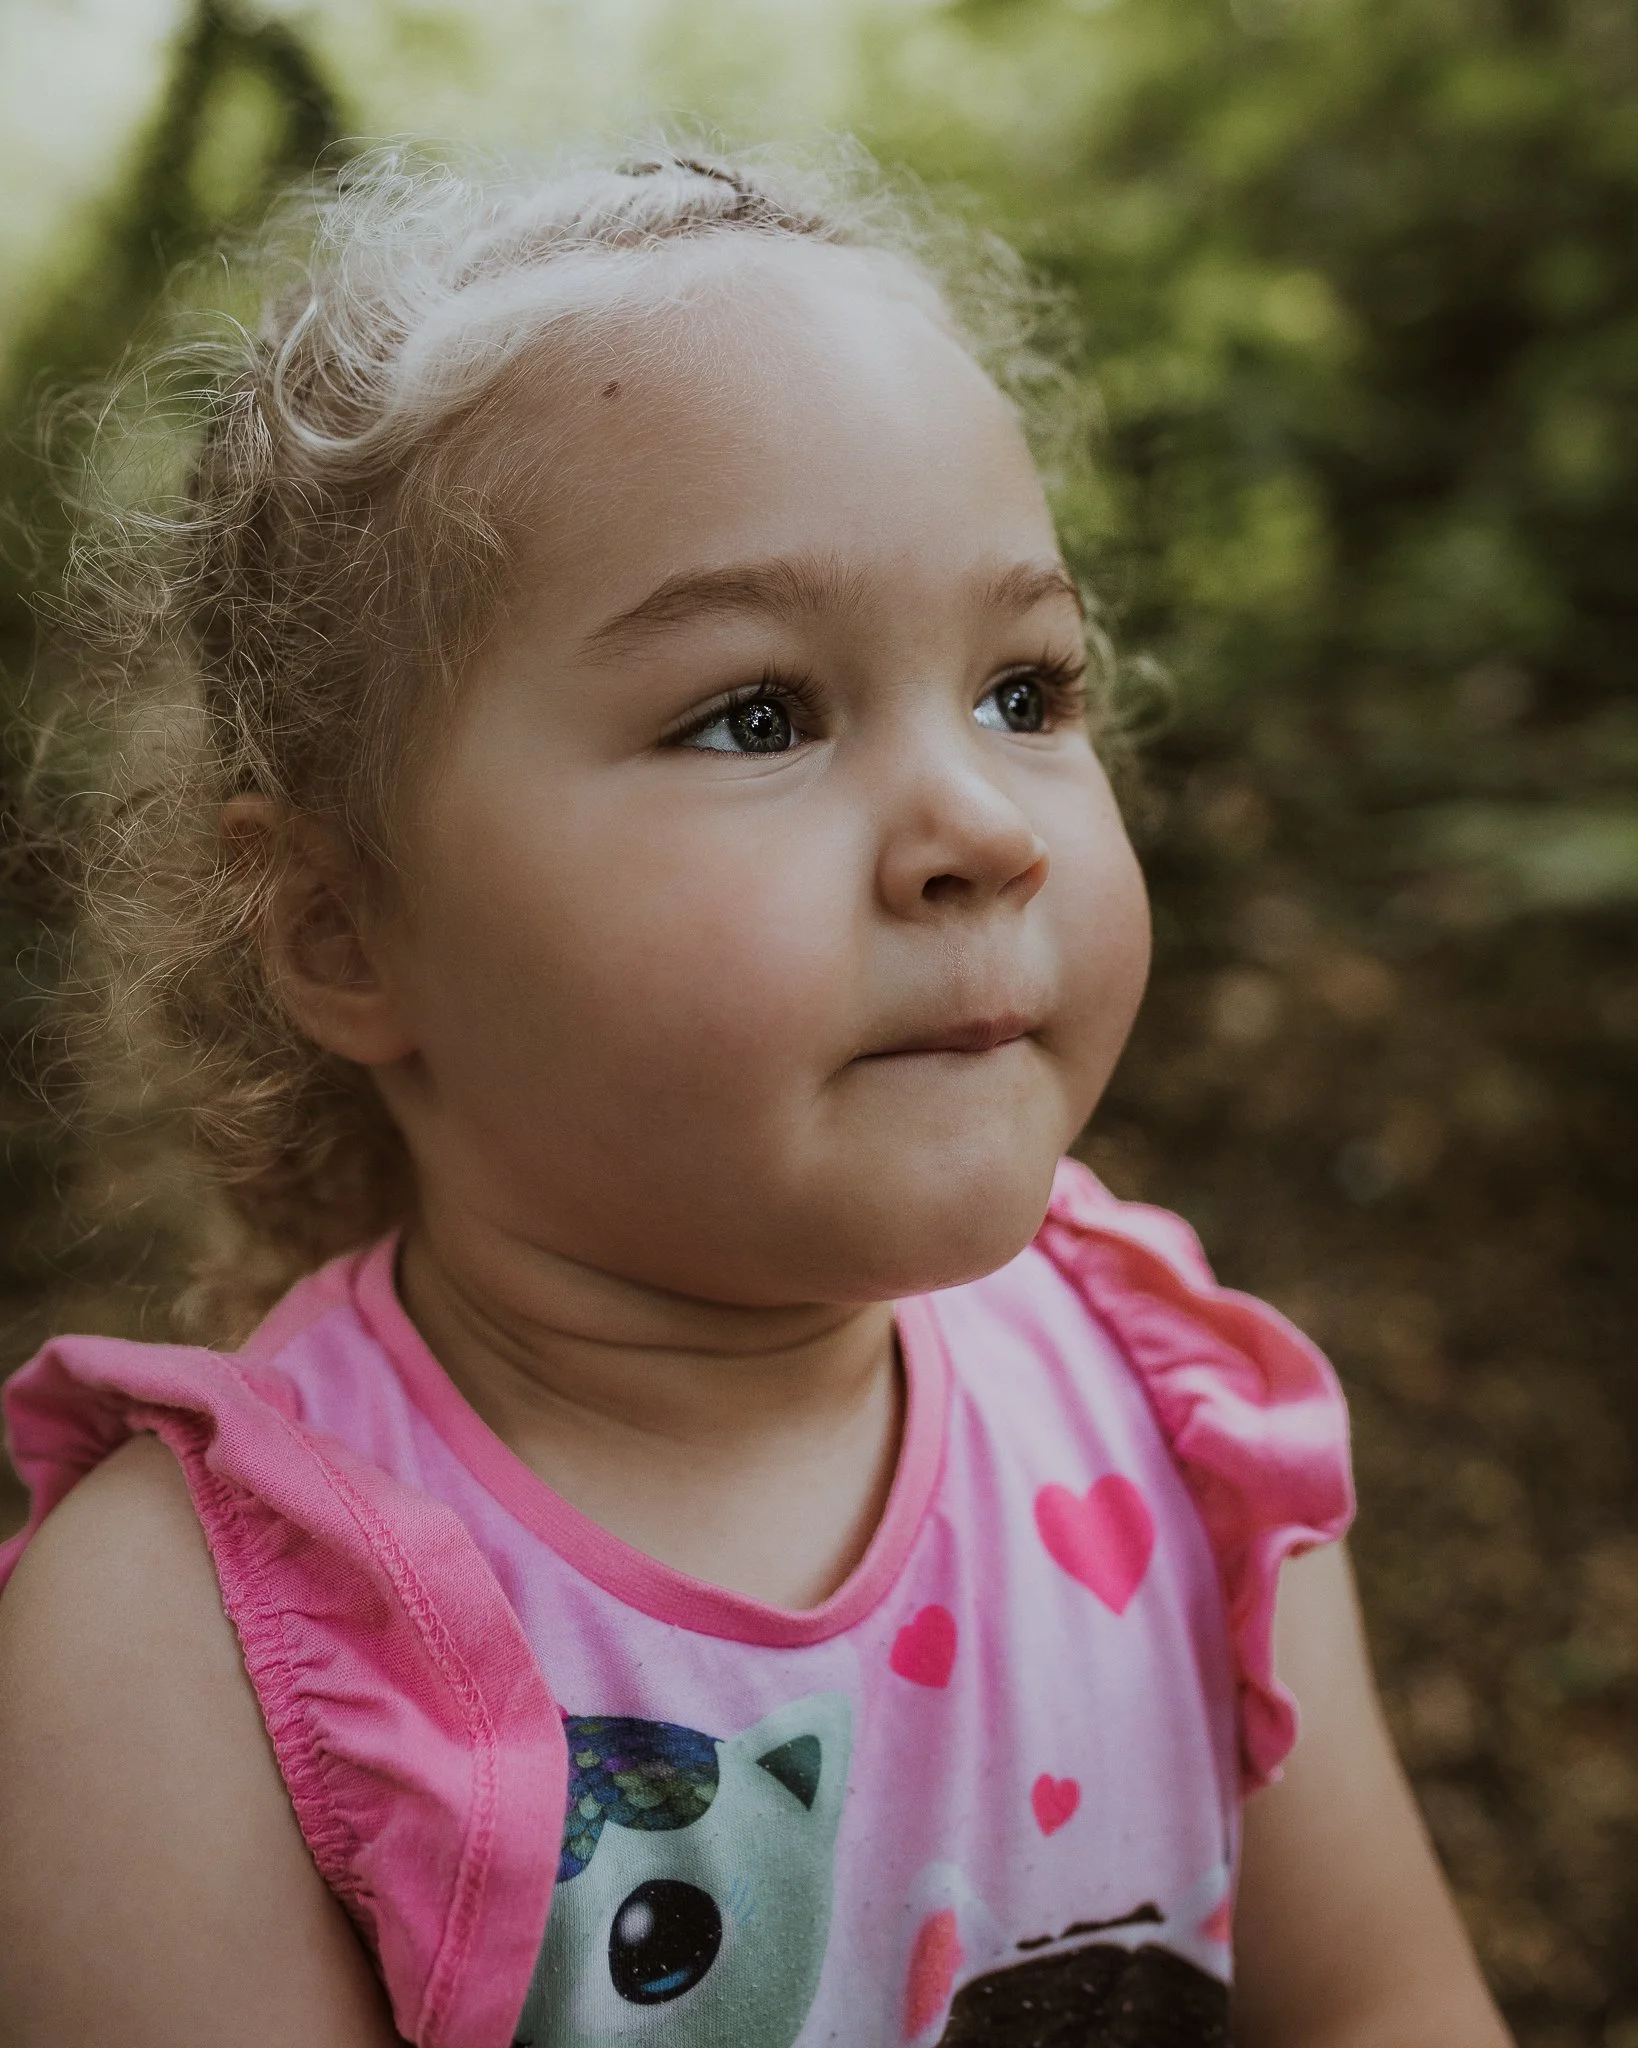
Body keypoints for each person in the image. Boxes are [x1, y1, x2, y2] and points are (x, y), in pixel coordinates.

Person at [0, 144, 1510, 2048]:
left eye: (1026, 692)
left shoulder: (1164, 1413)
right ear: (342, 925)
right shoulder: (191, 1663)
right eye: (757, 716)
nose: (977, 823)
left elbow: (1383, 2008)